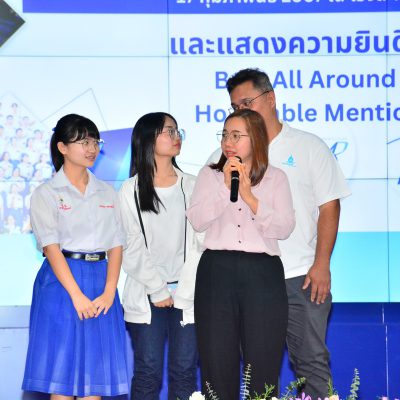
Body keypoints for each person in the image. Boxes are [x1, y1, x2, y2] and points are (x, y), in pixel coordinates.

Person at [209, 68, 351, 398]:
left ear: (271, 99)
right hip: (248, 278)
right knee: (256, 368)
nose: (241, 111)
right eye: (235, 107)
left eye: (247, 103)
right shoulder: (227, 155)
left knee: (311, 362)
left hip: (300, 274)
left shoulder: (308, 146)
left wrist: (321, 264)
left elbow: (329, 207)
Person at [187, 109, 295, 399]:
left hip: (262, 273)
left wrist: (249, 197)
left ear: (256, 138)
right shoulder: (210, 175)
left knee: (263, 358)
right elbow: (196, 220)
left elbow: (284, 227)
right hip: (216, 271)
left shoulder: (276, 178)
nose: (228, 142)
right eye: (224, 135)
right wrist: (225, 188)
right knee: (216, 359)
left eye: (236, 135)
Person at [22, 113, 129, 399]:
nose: (92, 148)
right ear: (62, 147)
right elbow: (51, 248)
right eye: (83, 141)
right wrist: (76, 295)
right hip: (61, 283)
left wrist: (110, 291)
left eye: (95, 141)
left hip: (101, 282)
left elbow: (116, 244)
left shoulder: (107, 192)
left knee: (95, 376)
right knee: (62, 375)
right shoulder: (46, 193)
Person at [119, 112, 202, 400]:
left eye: (178, 131)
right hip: (146, 293)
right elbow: (129, 245)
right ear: (148, 138)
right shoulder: (129, 190)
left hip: (189, 294)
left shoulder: (193, 184)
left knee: (185, 371)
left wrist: (185, 288)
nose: (176, 137)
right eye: (169, 131)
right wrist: (157, 289)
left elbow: (201, 242)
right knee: (148, 371)